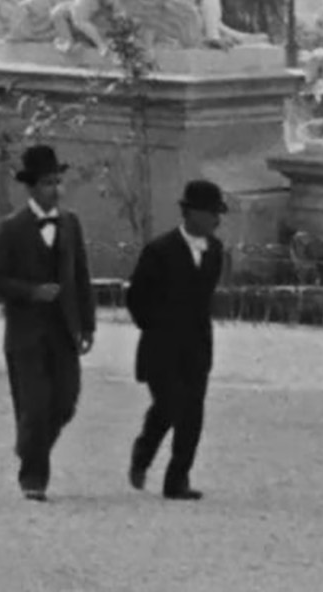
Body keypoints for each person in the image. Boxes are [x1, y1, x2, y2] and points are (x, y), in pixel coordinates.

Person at [0, 145, 96, 502]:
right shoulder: (12, 229)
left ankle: (30, 446)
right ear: (32, 187)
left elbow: (81, 276)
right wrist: (31, 292)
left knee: (65, 401)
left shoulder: (70, 223)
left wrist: (88, 325)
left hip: (63, 331)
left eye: (58, 182)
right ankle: (33, 476)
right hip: (26, 334)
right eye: (48, 183)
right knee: (34, 405)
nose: (56, 189)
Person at [126, 179, 225, 502]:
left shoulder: (215, 252)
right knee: (168, 406)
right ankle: (143, 453)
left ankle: (177, 477)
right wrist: (156, 326)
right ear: (191, 213)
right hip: (161, 347)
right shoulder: (159, 250)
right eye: (211, 213)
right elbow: (136, 298)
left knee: (192, 414)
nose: (216, 221)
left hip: (197, 346)